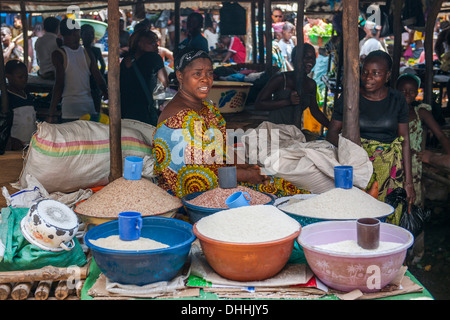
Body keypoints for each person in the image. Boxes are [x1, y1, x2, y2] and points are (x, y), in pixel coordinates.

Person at [152, 47, 309, 200]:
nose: (205, 79)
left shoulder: (206, 107)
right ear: (180, 76)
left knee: (286, 188)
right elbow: (201, 172)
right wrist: (247, 175)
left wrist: (246, 166)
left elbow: (221, 148)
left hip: (220, 177)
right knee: (273, 195)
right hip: (194, 193)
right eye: (197, 74)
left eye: (209, 73)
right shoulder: (180, 119)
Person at [326, 50, 415, 225]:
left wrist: (409, 182)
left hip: (389, 170)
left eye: (376, 73)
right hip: (356, 168)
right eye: (365, 72)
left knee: (387, 217)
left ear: (387, 76)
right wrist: (353, 150)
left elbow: (404, 140)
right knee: (356, 216)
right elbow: (331, 133)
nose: (368, 78)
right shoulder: (350, 97)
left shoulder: (397, 99)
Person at [396, 73, 450, 207]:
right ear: (395, 90)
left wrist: (449, 155)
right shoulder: (389, 111)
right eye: (402, 90)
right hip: (393, 161)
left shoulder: (420, 112)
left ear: (417, 93)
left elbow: (441, 135)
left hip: (413, 163)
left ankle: (411, 225)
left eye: (411, 91)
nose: (407, 94)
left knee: (412, 200)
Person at [254, 43, 330, 130]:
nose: (311, 61)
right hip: (275, 131)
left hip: (294, 133)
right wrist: (288, 101)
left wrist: (333, 128)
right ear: (295, 59)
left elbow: (315, 111)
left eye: (313, 58)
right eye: (306, 57)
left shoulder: (311, 84)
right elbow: (259, 104)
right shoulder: (281, 79)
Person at [47, 18, 107, 123]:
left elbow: (59, 85)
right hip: (88, 107)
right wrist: (105, 92)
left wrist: (51, 113)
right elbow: (99, 79)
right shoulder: (88, 52)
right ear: (76, 32)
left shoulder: (58, 54)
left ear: (61, 33)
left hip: (70, 108)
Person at [120, 29, 168, 125]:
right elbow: (165, 82)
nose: (157, 45)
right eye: (152, 42)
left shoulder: (126, 59)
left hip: (124, 111)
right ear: (140, 44)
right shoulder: (154, 58)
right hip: (144, 112)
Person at [2, 60, 37, 149]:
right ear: (8, 77)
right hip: (14, 147)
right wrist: (11, 140)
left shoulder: (28, 97)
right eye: (20, 77)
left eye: (26, 76)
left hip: (30, 146)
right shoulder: (6, 100)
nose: (24, 80)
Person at [81, 24, 106, 111]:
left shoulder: (95, 50)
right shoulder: (79, 51)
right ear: (81, 35)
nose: (90, 36)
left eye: (92, 34)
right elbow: (102, 66)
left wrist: (99, 76)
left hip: (94, 84)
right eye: (87, 34)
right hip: (85, 84)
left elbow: (103, 66)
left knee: (95, 108)